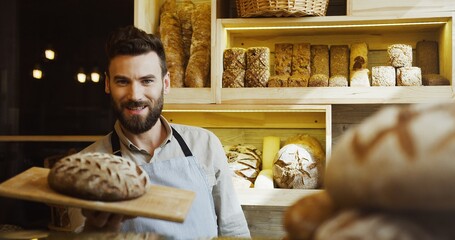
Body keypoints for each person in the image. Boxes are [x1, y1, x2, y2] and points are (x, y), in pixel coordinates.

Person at [80, 25, 251, 239]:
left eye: (147, 81)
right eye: (123, 81)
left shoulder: (204, 144)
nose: (135, 95)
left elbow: (234, 231)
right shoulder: (88, 165)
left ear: (166, 83)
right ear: (107, 84)